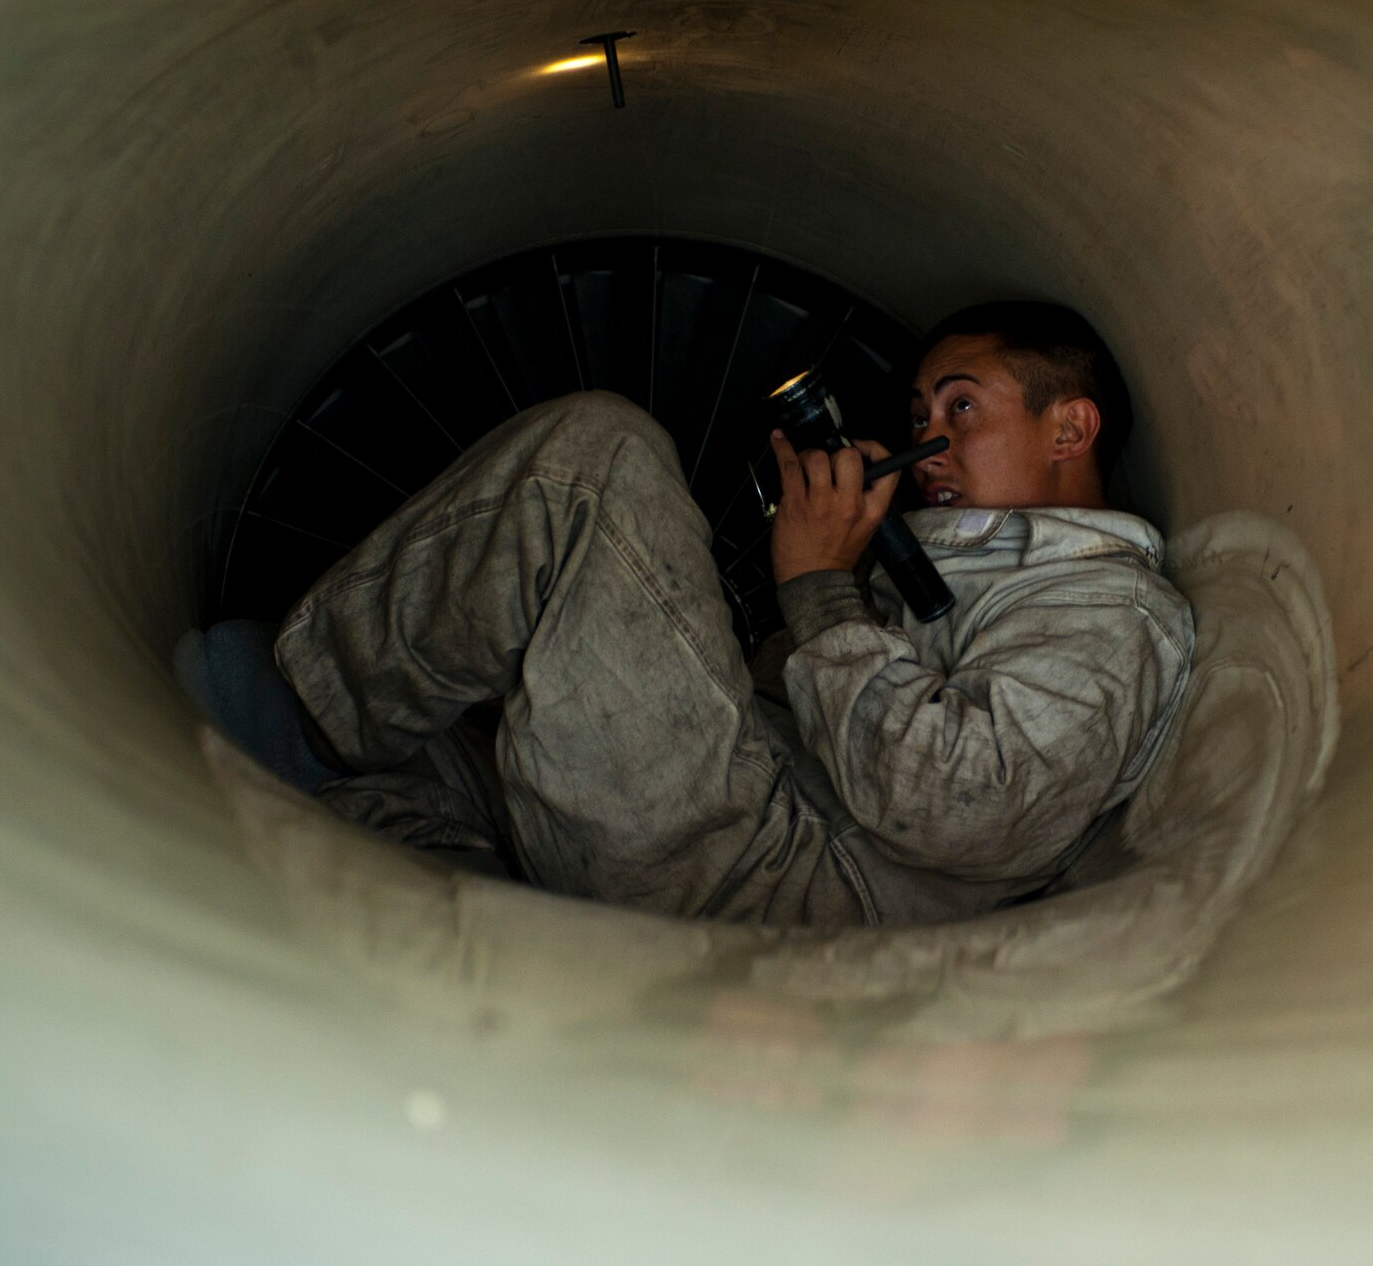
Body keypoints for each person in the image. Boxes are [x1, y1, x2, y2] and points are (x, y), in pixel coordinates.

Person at [260, 301, 1194, 927]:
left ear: (1069, 429)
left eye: (961, 408)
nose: (927, 445)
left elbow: (972, 810)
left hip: (786, 876)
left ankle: (300, 716)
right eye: (918, 418)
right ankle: (454, 858)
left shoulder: (1112, 611)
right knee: (427, 765)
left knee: (596, 460)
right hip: (755, 800)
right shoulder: (972, 564)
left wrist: (821, 589)